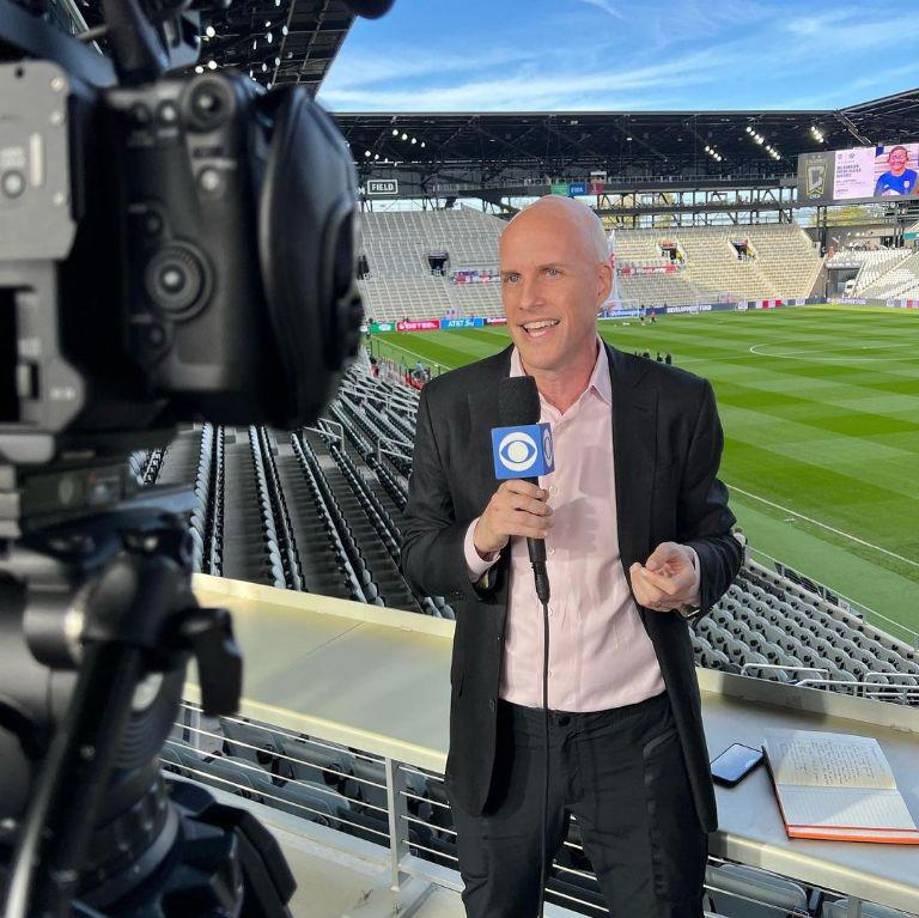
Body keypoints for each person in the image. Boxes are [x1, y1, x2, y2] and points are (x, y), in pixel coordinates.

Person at [401, 195, 741, 917]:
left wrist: (688, 570)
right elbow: (417, 557)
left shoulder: (675, 402)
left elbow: (720, 539)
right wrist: (482, 536)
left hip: (639, 735)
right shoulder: (452, 405)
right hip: (504, 734)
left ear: (602, 282)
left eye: (551, 272)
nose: (526, 300)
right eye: (510, 277)